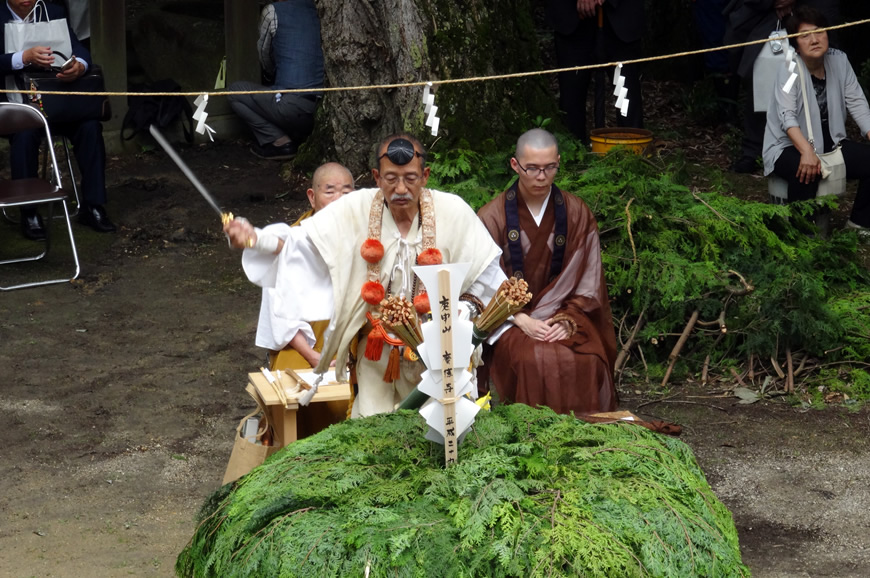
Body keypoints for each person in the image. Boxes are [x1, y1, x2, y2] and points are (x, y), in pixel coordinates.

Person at [224, 134, 506, 417]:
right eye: (391, 178)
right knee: (372, 434)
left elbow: (486, 275)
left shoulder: (453, 211)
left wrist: (461, 312)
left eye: (410, 178)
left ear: (425, 176)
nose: (400, 188)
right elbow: (305, 244)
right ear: (376, 177)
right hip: (376, 350)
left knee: (439, 437)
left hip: (437, 352)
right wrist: (256, 240)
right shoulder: (355, 208)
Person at [477, 129, 618, 415]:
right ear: (515, 165)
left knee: (586, 357)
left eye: (549, 168)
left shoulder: (577, 212)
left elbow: (588, 283)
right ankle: (530, 437)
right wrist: (520, 319)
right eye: (532, 168)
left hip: (566, 317)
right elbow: (480, 282)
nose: (541, 177)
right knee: (533, 357)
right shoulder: (492, 216)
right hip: (509, 322)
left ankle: (581, 437)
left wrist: (568, 320)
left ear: (558, 163)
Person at [1, 0, 115, 239]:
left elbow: (79, 48)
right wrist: (22, 57)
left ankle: (93, 205)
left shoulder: (52, 11)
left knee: (89, 126)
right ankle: (29, 211)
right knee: (24, 132)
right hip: (16, 107)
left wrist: (80, 66)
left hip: (58, 103)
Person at [762, 5, 870, 234]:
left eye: (819, 32)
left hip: (831, 143)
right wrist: (806, 151)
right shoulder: (790, 69)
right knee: (806, 170)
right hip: (787, 146)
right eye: (805, 35)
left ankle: (858, 225)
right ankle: (803, 236)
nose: (814, 40)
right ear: (796, 45)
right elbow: (787, 115)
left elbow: (857, 102)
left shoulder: (839, 62)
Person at [255, 162, 355, 371]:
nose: (339, 200)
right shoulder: (289, 241)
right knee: (291, 390)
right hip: (300, 342)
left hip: (351, 339)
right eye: (330, 191)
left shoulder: (366, 238)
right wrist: (313, 356)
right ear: (312, 197)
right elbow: (279, 311)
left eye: (346, 192)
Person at [724, 0, 841, 173]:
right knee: (761, 72)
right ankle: (754, 150)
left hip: (815, 7)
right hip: (766, 14)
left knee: (817, 68)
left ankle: (823, 144)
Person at [227, 0, 324, 160]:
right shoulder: (320, 10)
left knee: (234, 91)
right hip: (320, 107)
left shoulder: (272, 11)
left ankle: (279, 142)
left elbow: (264, 56)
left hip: (289, 105)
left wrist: (272, 73)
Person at [545, 0, 645, 144]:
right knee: (571, 101)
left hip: (622, 18)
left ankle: (631, 154)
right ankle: (574, 158)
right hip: (571, 18)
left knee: (625, 96)